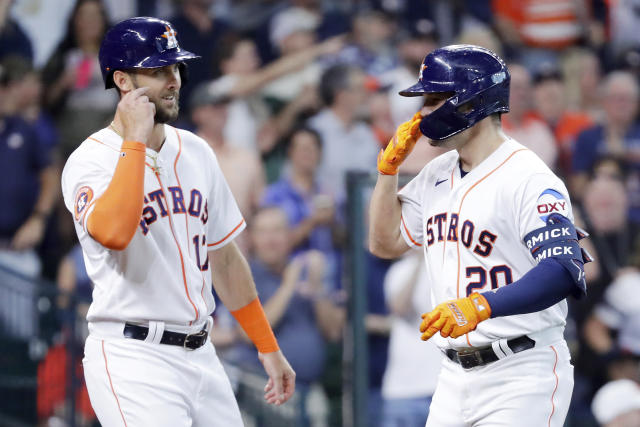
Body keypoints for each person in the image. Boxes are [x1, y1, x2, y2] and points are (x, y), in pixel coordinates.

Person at [60, 17, 295, 426]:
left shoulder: (196, 151)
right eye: (157, 70)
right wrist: (134, 141)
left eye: (175, 68)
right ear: (122, 81)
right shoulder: (90, 160)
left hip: (202, 354)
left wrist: (266, 344)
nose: (173, 80)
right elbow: (114, 233)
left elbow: (223, 257)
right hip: (134, 355)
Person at [369, 44, 591, 426]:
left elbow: (562, 269)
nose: (422, 113)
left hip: (522, 371)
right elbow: (384, 243)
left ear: (472, 103)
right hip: (452, 377)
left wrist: (480, 306)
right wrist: (387, 173)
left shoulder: (529, 177)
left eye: (436, 99)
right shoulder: (435, 175)